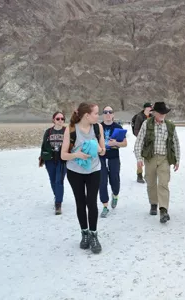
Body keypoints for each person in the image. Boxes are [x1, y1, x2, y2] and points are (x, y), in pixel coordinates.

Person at [61, 102, 106, 254]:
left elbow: (103, 152)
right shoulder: (71, 129)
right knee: (80, 203)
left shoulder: (97, 128)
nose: (98, 116)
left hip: (94, 171)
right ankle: (84, 233)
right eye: (96, 113)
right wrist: (76, 154)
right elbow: (63, 155)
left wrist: (98, 149)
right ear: (87, 115)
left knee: (92, 203)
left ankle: (94, 235)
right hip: (75, 172)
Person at [134, 102, 181, 224]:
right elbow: (139, 141)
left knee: (163, 183)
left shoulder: (170, 126)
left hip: (165, 158)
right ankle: (153, 203)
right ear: (154, 113)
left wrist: (177, 160)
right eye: (160, 112)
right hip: (150, 158)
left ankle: (163, 210)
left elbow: (176, 143)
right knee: (151, 183)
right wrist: (139, 158)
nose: (162, 115)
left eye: (164, 113)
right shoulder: (146, 124)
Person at [99, 106, 127, 218]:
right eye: (105, 112)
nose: (108, 114)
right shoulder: (98, 127)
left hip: (114, 157)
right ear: (103, 114)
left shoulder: (118, 127)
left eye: (110, 112)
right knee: (102, 182)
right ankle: (105, 206)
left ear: (113, 114)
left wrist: (116, 143)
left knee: (114, 179)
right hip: (101, 157)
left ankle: (115, 195)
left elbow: (125, 143)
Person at [39, 111, 67, 215]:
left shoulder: (66, 131)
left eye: (62, 119)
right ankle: (57, 196)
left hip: (62, 160)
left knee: (59, 180)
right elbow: (44, 146)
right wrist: (41, 158)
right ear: (53, 120)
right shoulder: (48, 132)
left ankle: (58, 204)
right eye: (58, 118)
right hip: (50, 159)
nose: (60, 121)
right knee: (53, 180)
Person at [132, 102, 153, 183]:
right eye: (150, 107)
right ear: (146, 108)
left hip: (150, 141)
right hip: (141, 141)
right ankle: (139, 175)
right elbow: (136, 129)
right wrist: (141, 138)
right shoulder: (139, 117)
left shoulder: (152, 117)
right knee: (140, 158)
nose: (151, 108)